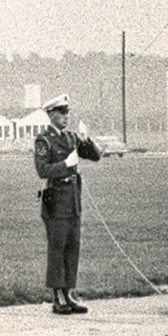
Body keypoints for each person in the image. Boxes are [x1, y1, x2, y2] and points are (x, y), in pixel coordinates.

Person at [34, 93, 102, 313]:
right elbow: (42, 170)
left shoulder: (71, 138)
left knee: (73, 247)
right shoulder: (44, 140)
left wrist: (86, 139)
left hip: (72, 200)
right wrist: (65, 164)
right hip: (56, 199)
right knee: (58, 248)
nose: (66, 117)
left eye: (67, 112)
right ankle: (58, 296)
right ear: (51, 115)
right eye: (62, 113)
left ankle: (70, 293)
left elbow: (95, 156)